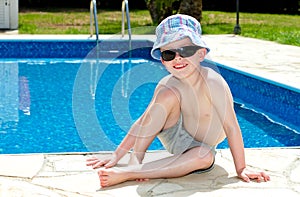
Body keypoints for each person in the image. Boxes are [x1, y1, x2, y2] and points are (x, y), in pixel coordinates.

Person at [86, 14, 270, 188]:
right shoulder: (167, 85)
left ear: (201, 54)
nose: (178, 58)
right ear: (163, 61)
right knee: (166, 95)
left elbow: (231, 126)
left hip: (201, 146)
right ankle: (136, 160)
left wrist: (242, 168)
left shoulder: (213, 83)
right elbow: (145, 120)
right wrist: (118, 154)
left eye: (186, 50)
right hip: (175, 135)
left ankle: (132, 172)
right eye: (169, 54)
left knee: (204, 156)